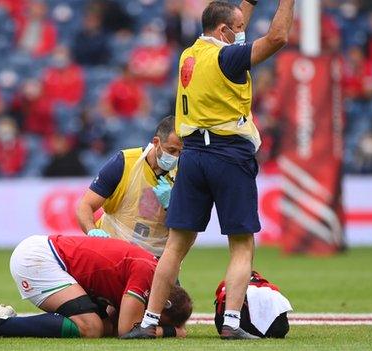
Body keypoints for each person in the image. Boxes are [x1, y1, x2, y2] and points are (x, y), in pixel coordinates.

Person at [122, 0, 295, 340]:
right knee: (242, 244)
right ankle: (231, 322)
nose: (242, 31)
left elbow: (233, 25)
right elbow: (277, 37)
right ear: (222, 31)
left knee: (175, 245)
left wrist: (249, 3)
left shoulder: (190, 54)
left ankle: (148, 322)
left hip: (194, 156)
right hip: (229, 154)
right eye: (238, 28)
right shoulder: (228, 57)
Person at [0, 235, 192, 339]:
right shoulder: (146, 272)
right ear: (165, 303)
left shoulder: (153, 272)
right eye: (158, 320)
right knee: (90, 328)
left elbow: (115, 323)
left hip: (50, 256)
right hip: (39, 259)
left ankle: (4, 322)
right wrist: (171, 332)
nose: (150, 322)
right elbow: (128, 330)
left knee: (102, 326)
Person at [76, 116, 182, 256]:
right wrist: (92, 230)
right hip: (113, 251)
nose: (176, 157)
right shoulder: (124, 163)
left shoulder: (184, 172)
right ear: (156, 142)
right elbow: (85, 206)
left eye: (181, 152)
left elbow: (187, 231)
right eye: (172, 150)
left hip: (157, 259)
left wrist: (172, 205)